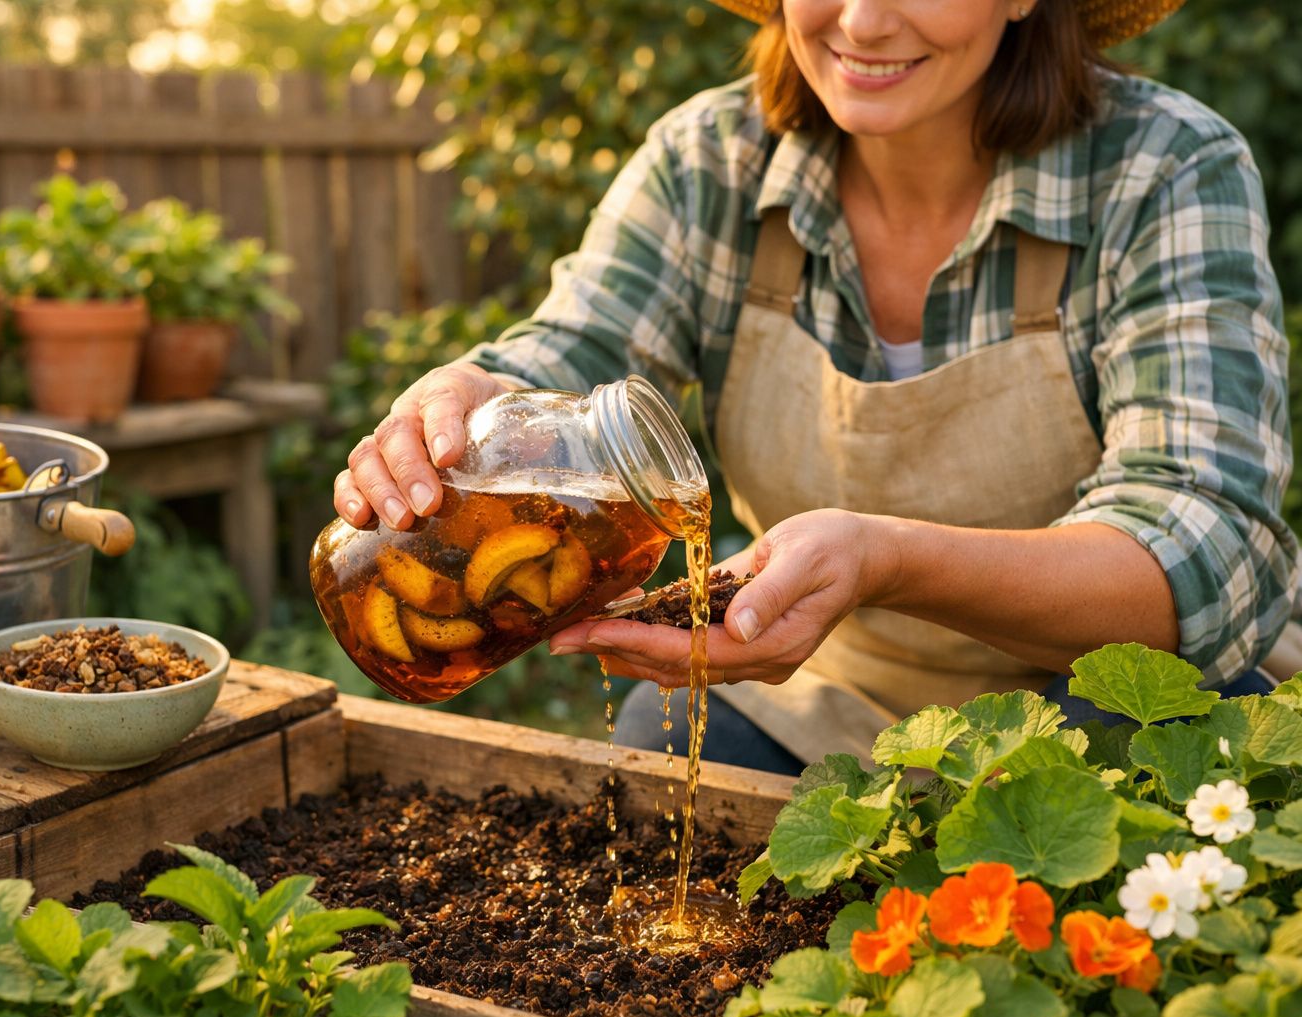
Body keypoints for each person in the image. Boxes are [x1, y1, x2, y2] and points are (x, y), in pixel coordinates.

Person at [330, 0, 1296, 773]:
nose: (864, 22)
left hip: (1098, 694)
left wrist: (885, 559)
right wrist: (477, 394)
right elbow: (575, 351)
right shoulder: (710, 160)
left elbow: (1210, 551)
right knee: (656, 754)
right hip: (826, 695)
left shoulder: (1162, 166)